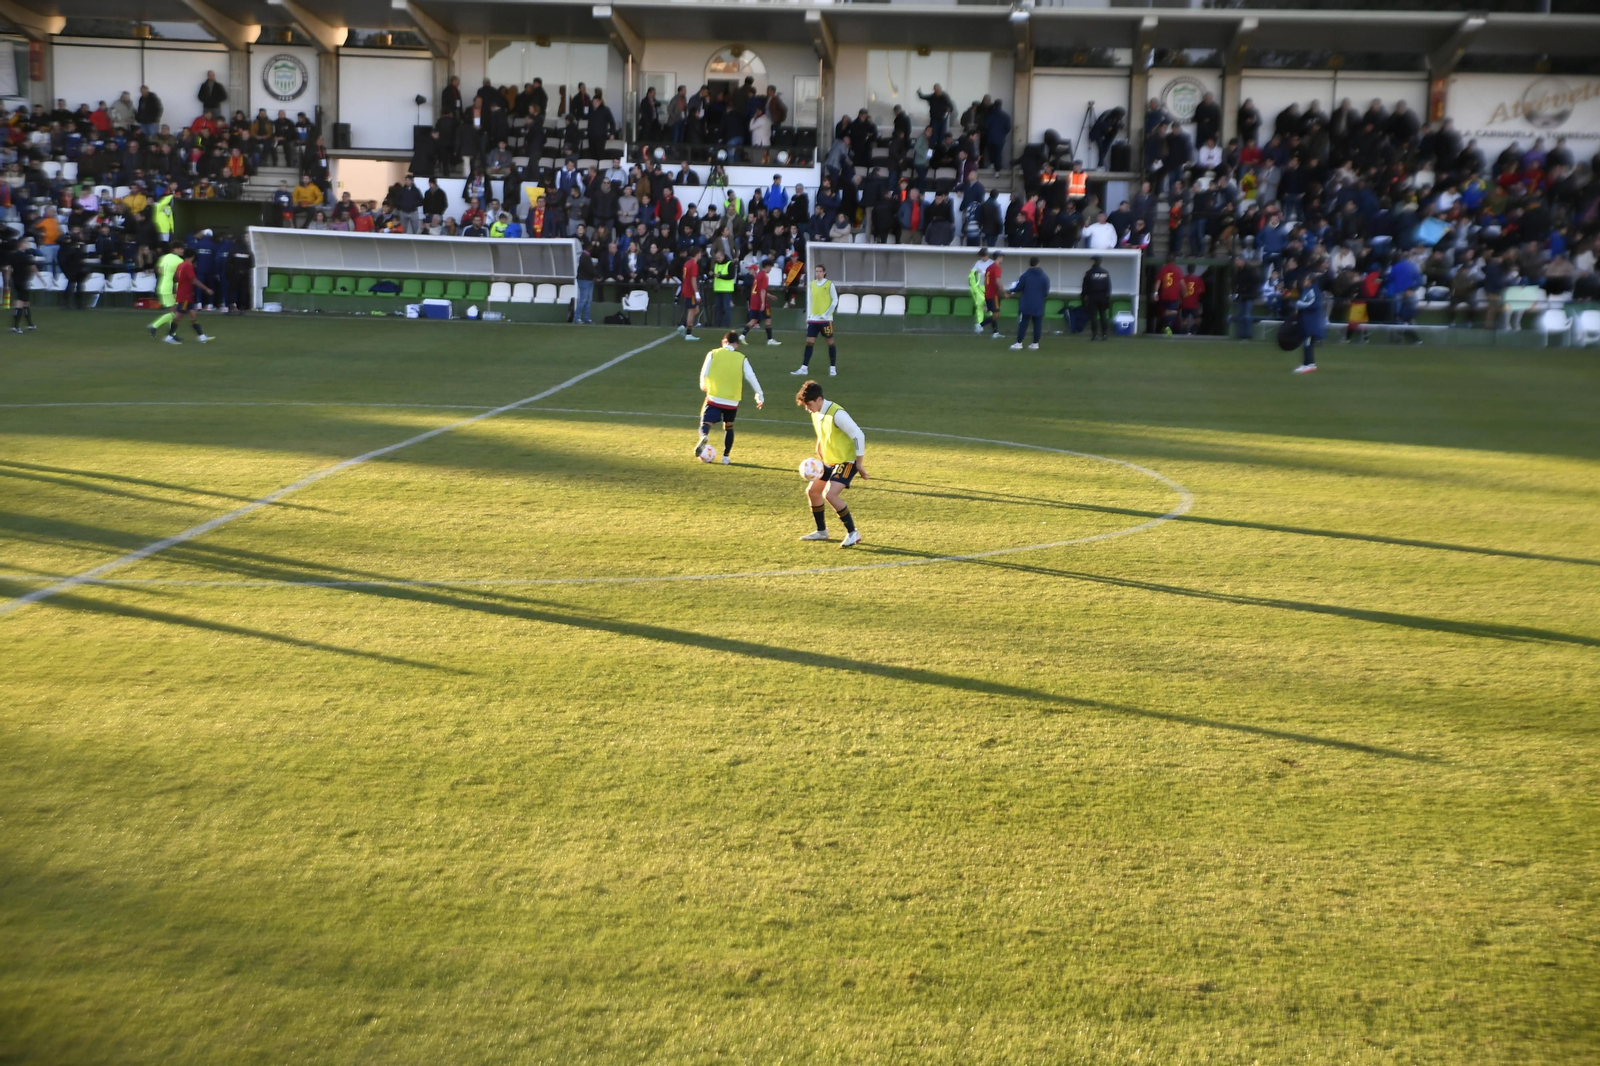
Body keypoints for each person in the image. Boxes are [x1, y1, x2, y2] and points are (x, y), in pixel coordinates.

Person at [796, 379, 867, 548]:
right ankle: (822, 531)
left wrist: (860, 464)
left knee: (830, 494)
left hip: (847, 461)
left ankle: (852, 532)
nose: (807, 408)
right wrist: (819, 446)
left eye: (809, 404)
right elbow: (823, 433)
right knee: (813, 492)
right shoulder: (816, 413)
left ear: (819, 400)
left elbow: (859, 436)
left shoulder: (838, 414)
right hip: (830, 461)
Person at [696, 330, 766, 466]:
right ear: (737, 345)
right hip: (732, 400)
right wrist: (759, 395)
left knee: (705, 423)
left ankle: (704, 436)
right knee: (729, 427)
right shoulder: (741, 358)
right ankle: (726, 457)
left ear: (723, 342)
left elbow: (704, 371)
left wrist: (702, 384)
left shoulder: (713, 353)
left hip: (714, 397)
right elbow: (751, 377)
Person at [792, 264, 839, 377]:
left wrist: (826, 314)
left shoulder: (829, 284)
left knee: (830, 342)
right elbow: (810, 301)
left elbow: (835, 300)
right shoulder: (812, 284)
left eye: (820, 271)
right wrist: (808, 317)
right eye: (816, 271)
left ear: (824, 272)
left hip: (826, 320)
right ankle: (804, 368)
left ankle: (833, 367)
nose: (817, 273)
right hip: (813, 320)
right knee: (809, 342)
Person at [1009, 255, 1050, 350]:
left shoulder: (1025, 275)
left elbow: (1018, 288)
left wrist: (1010, 290)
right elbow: (1046, 292)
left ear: (1030, 264)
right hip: (1039, 304)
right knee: (1037, 324)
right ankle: (1035, 343)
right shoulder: (1044, 277)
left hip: (1027, 303)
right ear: (1038, 263)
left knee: (1023, 323)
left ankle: (1019, 343)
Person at [740, 258, 780, 346]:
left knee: (754, 319)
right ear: (768, 267)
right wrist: (763, 302)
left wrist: (769, 295)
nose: (770, 269)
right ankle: (770, 340)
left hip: (754, 300)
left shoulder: (758, 275)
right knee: (768, 319)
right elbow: (762, 290)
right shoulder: (764, 276)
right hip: (761, 301)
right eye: (770, 267)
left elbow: (759, 289)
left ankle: (742, 335)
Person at [1293, 275, 1325, 373]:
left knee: (1307, 344)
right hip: (1310, 321)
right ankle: (1310, 364)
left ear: (1310, 281)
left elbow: (1313, 304)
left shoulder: (1312, 291)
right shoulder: (1310, 290)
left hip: (1311, 322)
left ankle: (1307, 364)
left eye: (1306, 279)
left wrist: (1298, 304)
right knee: (1308, 344)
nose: (1304, 281)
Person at [6, 237, 37, 333]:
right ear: (22, 244)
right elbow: (33, 267)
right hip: (24, 282)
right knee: (20, 303)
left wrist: (7, 283)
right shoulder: (26, 257)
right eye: (26, 243)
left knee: (26, 303)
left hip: (16, 281)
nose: (28, 245)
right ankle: (15, 327)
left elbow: (9, 270)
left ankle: (30, 325)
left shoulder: (12, 256)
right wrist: (40, 277)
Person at [1082, 254, 1112, 341]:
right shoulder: (1105, 273)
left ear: (1093, 261)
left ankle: (1095, 335)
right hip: (1103, 297)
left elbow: (1085, 287)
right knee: (1103, 315)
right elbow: (1108, 286)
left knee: (1093, 316)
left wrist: (1083, 298)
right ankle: (1105, 334)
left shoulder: (1089, 273)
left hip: (1092, 297)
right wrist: (1107, 297)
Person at [1154, 256, 1183, 334]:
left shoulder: (1163, 269)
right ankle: (1168, 327)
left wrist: (1155, 293)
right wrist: (1184, 293)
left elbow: (1158, 282)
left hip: (1164, 295)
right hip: (1174, 295)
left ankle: (1166, 327)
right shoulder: (1178, 270)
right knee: (1174, 312)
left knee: (1166, 311)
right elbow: (1181, 283)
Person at [677, 252, 701, 341]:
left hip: (686, 288)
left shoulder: (687, 263)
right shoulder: (694, 264)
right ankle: (688, 333)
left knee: (696, 309)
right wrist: (696, 292)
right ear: (697, 254)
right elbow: (693, 279)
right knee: (691, 311)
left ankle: (683, 325)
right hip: (690, 291)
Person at [711, 248, 736, 327]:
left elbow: (731, 276)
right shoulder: (716, 264)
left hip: (726, 289)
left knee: (726, 307)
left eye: (718, 258)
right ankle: (718, 323)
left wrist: (720, 276)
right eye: (716, 258)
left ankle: (726, 324)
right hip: (718, 289)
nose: (717, 259)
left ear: (722, 256)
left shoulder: (730, 264)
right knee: (718, 307)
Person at [981, 251, 1004, 338]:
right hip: (994, 294)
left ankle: (995, 332)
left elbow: (985, 281)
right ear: (999, 257)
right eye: (1002, 257)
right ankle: (980, 325)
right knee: (996, 314)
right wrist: (1003, 291)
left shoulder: (989, 267)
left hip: (988, 293)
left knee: (994, 313)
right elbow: (998, 280)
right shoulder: (997, 267)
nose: (1002, 259)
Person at [968, 248, 990, 334]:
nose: (982, 258)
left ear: (987, 255)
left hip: (988, 286)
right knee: (979, 306)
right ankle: (980, 325)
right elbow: (973, 271)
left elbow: (991, 274)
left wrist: (983, 272)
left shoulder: (991, 263)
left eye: (984, 256)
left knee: (990, 307)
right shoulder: (978, 263)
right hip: (980, 286)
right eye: (981, 257)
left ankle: (993, 326)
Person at [1179, 265, 1206, 335]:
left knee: (1184, 319)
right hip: (1194, 303)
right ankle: (1191, 331)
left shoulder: (1183, 279)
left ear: (1187, 270)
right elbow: (1202, 292)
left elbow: (1180, 290)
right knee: (1198, 320)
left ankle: (1184, 333)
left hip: (1184, 302)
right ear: (1194, 270)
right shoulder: (1199, 279)